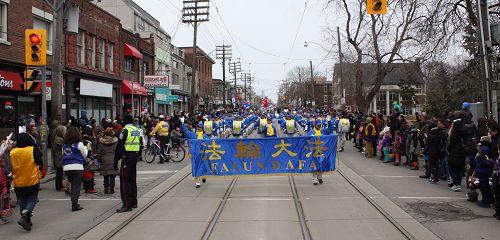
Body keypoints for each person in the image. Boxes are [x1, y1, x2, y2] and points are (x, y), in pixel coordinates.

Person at [10, 133, 43, 231]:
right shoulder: (31, 149)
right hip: (31, 179)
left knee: (23, 200)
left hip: (18, 181)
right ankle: (25, 216)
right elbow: (39, 162)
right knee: (32, 199)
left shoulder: (13, 152)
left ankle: (26, 221)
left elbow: (11, 165)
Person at [114, 115, 143, 213]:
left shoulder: (124, 130)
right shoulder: (136, 129)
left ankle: (127, 204)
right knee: (132, 179)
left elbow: (119, 146)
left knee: (124, 179)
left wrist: (116, 160)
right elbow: (141, 143)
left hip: (127, 156)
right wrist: (139, 155)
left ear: (123, 122)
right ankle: (134, 201)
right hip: (134, 156)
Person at [62, 126, 87, 211]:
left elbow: (63, 155)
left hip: (67, 167)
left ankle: (74, 201)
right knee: (76, 186)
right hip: (77, 166)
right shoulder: (79, 144)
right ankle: (74, 204)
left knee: (73, 184)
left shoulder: (64, 145)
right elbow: (84, 155)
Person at [181, 122, 208, 188]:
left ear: (202, 128)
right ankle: (197, 183)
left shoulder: (205, 136)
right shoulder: (193, 135)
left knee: (203, 166)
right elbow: (186, 132)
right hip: (195, 154)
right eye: (197, 127)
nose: (198, 128)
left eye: (200, 127)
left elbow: (209, 144)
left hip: (203, 154)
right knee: (196, 167)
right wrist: (182, 124)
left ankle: (204, 176)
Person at [447, 119, 467, 192]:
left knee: (452, 169)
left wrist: (448, 149)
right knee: (459, 170)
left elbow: (451, 144)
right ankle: (458, 184)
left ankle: (456, 184)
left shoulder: (454, 133)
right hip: (463, 153)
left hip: (454, 153)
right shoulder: (465, 132)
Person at [96, 128, 118, 194]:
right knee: (112, 174)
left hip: (104, 159)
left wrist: (100, 160)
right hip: (113, 159)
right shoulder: (115, 142)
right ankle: (112, 188)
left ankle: (106, 188)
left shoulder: (101, 142)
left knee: (106, 175)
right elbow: (117, 151)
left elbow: (99, 153)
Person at [307, 119, 329, 185]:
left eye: (320, 125)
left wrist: (329, 121)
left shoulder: (323, 131)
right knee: (315, 165)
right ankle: (314, 180)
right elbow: (307, 139)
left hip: (322, 151)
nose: (319, 126)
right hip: (314, 151)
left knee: (321, 164)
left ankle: (320, 177)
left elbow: (330, 131)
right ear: (315, 125)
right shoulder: (311, 132)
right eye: (318, 125)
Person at [51, 121, 67, 191]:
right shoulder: (60, 140)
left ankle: (59, 185)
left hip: (58, 156)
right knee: (59, 172)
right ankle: (59, 186)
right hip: (60, 157)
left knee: (59, 172)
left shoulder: (56, 137)